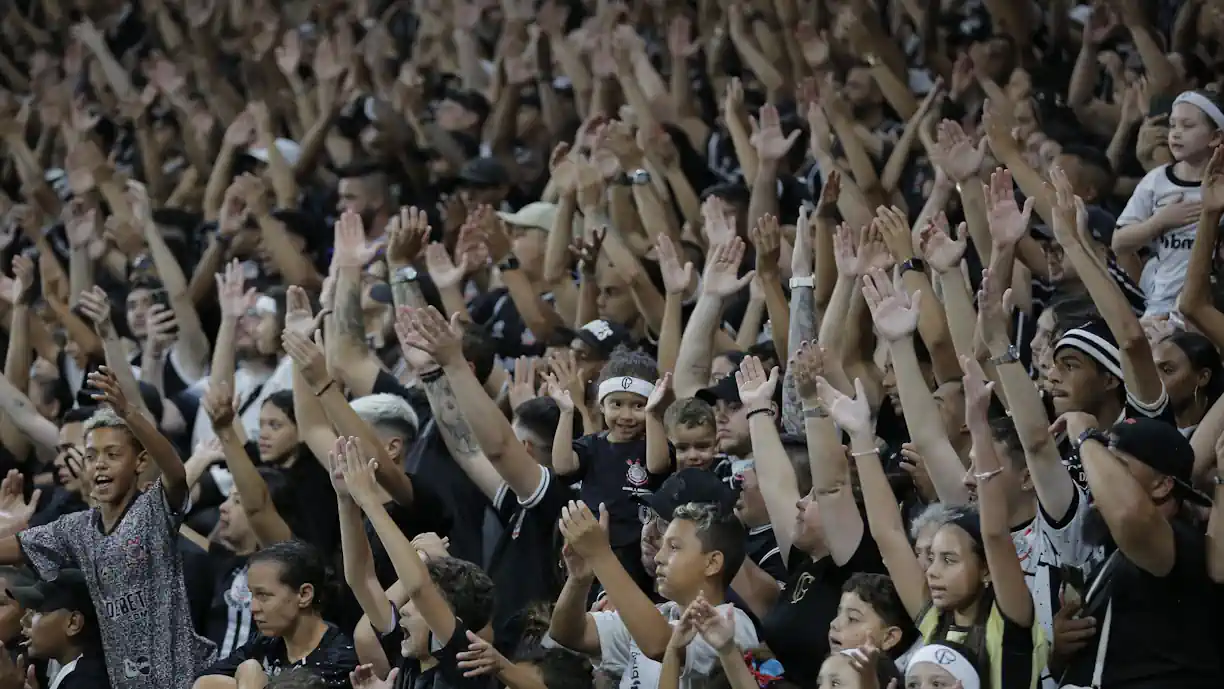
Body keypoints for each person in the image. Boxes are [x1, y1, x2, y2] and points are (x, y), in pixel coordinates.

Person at [0, 368, 216, 689]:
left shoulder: (152, 510)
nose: (99, 463)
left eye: (112, 454)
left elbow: (174, 472)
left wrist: (128, 413)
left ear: (139, 463)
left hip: (177, 679)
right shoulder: (77, 529)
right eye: (90, 456)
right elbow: (16, 547)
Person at [549, 500, 758, 689]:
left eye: (674, 547)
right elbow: (568, 634)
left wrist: (601, 555)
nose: (659, 557)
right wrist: (579, 580)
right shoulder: (660, 614)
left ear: (712, 563)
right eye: (662, 546)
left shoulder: (733, 624)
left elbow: (659, 646)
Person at [193, 540, 358, 688]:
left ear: (304, 595)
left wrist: (251, 678)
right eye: (252, 595)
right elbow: (202, 681)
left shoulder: (340, 661)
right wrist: (247, 673)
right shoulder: (265, 642)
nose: (253, 608)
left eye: (263, 595)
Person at [10, 568, 111, 689]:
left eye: (39, 612)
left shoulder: (84, 682)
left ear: (73, 623)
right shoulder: (79, 674)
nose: (25, 620)